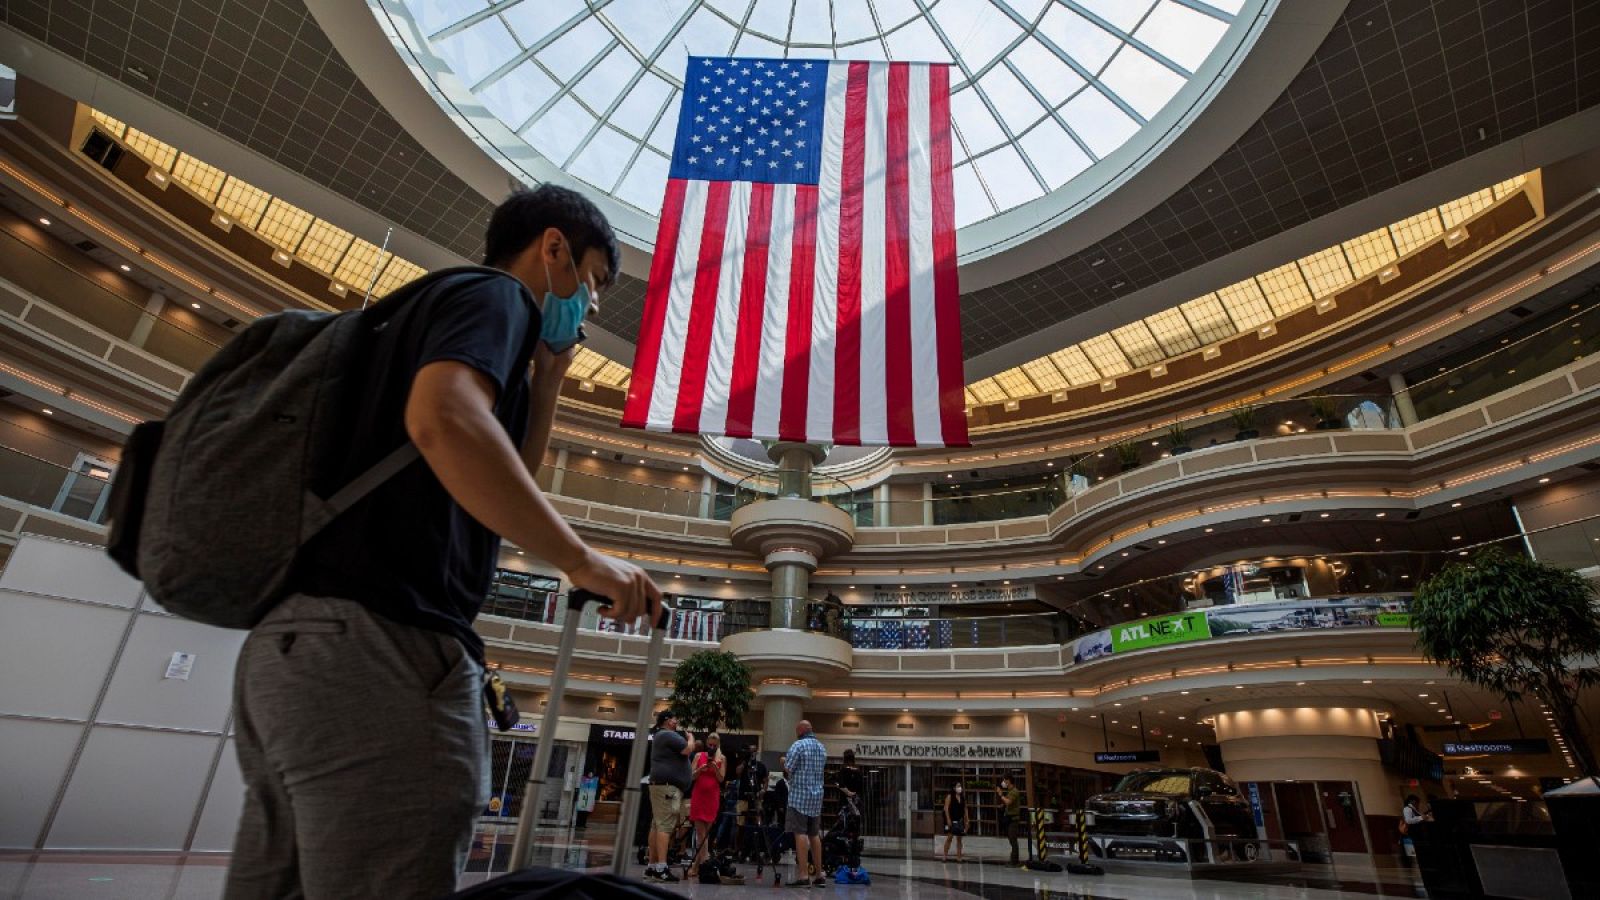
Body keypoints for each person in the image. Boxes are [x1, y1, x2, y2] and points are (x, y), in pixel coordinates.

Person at [223, 185, 663, 900]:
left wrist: (548, 381)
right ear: (552, 248)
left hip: (296, 646)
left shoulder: (415, 315)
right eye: (594, 281)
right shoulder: (496, 299)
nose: (593, 305)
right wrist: (582, 560)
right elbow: (444, 420)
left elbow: (499, 480)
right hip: (380, 644)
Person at [645, 710, 696, 882]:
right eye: (675, 719)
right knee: (665, 826)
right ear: (667, 721)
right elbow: (688, 750)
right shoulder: (667, 734)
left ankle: (652, 867)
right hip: (667, 788)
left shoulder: (660, 735)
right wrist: (691, 738)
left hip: (661, 787)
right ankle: (661, 867)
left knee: (657, 825)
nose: (677, 722)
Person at [784, 720, 828, 886]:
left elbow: (789, 768)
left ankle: (803, 875)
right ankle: (819, 874)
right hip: (816, 798)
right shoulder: (821, 748)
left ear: (800, 731)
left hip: (799, 797)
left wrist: (783, 761)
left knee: (800, 833)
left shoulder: (798, 746)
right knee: (814, 834)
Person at [686, 732, 725, 880]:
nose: (712, 747)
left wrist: (715, 767)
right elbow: (690, 776)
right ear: (707, 743)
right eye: (710, 744)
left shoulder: (722, 758)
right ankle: (704, 865)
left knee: (706, 835)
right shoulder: (698, 756)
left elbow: (721, 779)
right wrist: (700, 769)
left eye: (715, 745)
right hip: (699, 796)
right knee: (700, 834)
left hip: (712, 798)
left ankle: (697, 866)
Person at [834, 749, 865, 874]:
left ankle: (843, 858)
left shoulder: (843, 771)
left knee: (843, 832)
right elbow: (861, 788)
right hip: (856, 807)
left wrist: (848, 793)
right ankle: (854, 859)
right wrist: (854, 794)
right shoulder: (858, 772)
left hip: (845, 806)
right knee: (854, 833)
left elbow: (841, 785)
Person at [996, 775, 1023, 865]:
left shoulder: (1014, 791)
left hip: (1013, 819)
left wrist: (1001, 795)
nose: (1003, 782)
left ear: (1009, 781)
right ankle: (1014, 859)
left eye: (1004, 780)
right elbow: (1008, 804)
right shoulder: (1009, 791)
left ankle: (1015, 861)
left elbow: (1008, 802)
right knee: (1011, 839)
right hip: (1009, 818)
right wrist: (1003, 806)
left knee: (1013, 839)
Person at [941, 782, 970, 862]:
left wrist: (967, 819)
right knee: (949, 837)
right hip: (951, 819)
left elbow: (965, 808)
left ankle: (959, 857)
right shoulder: (950, 797)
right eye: (958, 786)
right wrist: (948, 819)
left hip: (960, 820)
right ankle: (944, 855)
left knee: (959, 839)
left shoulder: (962, 797)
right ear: (954, 788)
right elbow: (946, 808)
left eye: (960, 786)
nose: (960, 787)